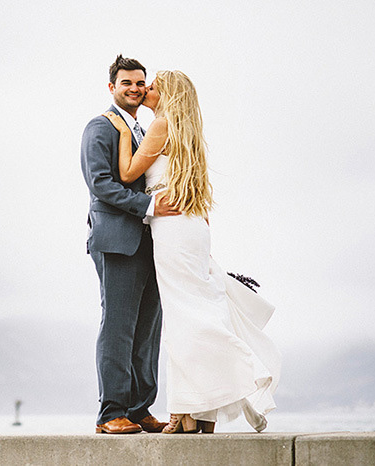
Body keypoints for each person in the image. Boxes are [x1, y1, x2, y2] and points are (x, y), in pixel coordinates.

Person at [102, 69, 281, 433]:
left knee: (185, 318)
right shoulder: (189, 134)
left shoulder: (160, 125)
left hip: (172, 229)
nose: (145, 91)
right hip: (194, 225)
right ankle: (197, 413)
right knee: (196, 309)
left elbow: (125, 173)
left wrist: (122, 132)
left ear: (167, 94)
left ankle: (235, 377)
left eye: (152, 87)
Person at [80, 55, 180, 434]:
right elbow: (101, 185)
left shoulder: (142, 130)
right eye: (127, 83)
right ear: (112, 87)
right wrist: (150, 204)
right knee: (118, 327)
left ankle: (140, 409)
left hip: (151, 242)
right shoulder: (100, 127)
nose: (136, 89)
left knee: (148, 329)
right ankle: (111, 413)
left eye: (141, 83)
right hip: (117, 240)